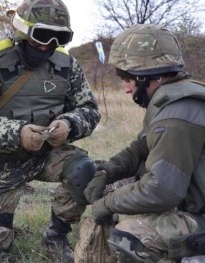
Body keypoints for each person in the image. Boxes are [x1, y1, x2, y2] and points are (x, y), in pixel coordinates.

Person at [0, 0, 101, 261]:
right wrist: (17, 133)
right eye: (41, 36)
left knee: (83, 170)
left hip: (46, 155)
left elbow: (88, 109)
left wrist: (68, 125)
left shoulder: (66, 65)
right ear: (22, 31)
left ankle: (56, 235)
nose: (47, 45)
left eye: (59, 37)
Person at [74, 24, 205, 263]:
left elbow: (161, 191)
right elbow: (141, 146)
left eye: (127, 78)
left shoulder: (176, 116)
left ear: (147, 76)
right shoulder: (172, 99)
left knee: (133, 237)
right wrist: (108, 171)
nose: (125, 88)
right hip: (194, 205)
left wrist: (107, 204)